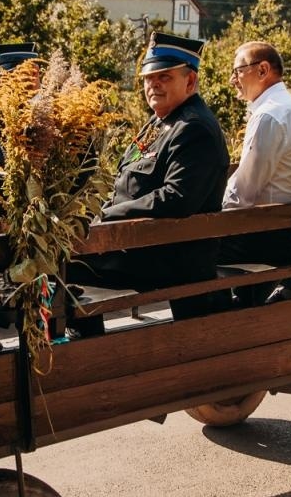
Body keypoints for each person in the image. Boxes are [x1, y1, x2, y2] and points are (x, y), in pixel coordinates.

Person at [71, 32, 228, 322]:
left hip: (167, 256)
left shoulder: (194, 128)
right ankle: (83, 342)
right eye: (148, 78)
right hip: (142, 245)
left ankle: (82, 346)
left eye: (164, 77)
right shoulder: (161, 121)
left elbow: (176, 198)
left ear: (190, 81)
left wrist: (107, 216)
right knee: (61, 255)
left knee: (63, 265)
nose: (153, 84)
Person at [218, 41, 291, 305]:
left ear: (262, 70)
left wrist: (210, 214)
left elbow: (245, 192)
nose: (233, 80)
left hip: (266, 235)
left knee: (189, 251)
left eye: (238, 71)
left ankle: (221, 320)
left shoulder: (269, 115)